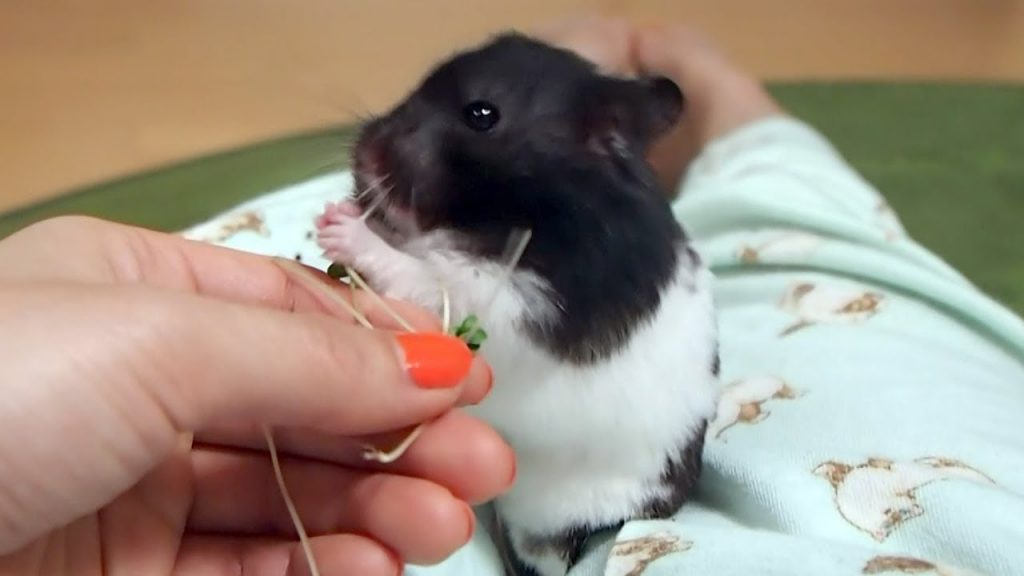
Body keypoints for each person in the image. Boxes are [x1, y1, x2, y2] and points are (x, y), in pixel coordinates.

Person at [2, 15, 1023, 576]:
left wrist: (392, 263)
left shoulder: (589, 285)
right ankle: (736, 118)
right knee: (830, 253)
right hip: (938, 468)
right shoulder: (591, 222)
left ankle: (681, 89)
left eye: (475, 115)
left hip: (587, 504)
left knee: (800, 247)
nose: (394, 131)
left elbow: (506, 337)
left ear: (595, 145)